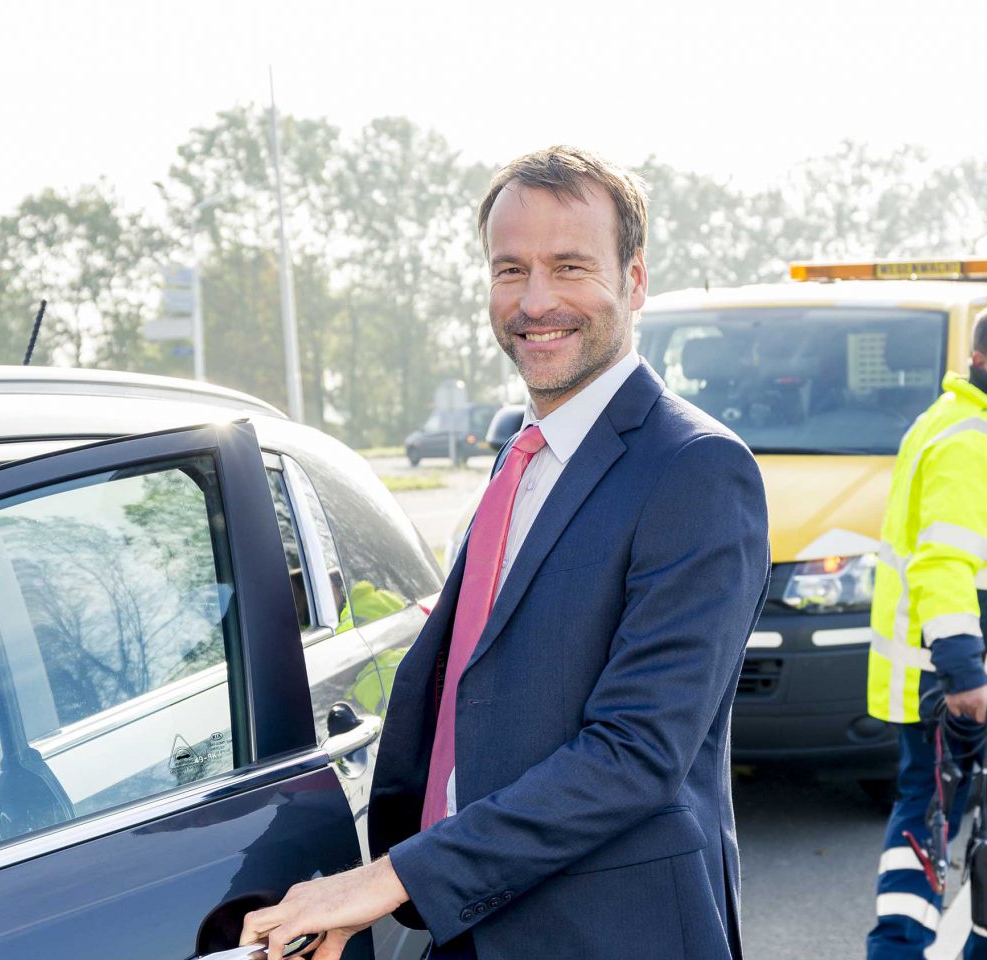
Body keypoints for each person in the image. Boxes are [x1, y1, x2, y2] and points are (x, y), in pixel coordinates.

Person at [240, 145, 770, 960]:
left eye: (570, 267)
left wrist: (393, 879)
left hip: (608, 936)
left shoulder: (695, 468)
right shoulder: (517, 459)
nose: (536, 300)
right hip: (471, 919)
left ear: (634, 281)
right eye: (510, 270)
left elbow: (635, 754)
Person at [866, 301, 987, 959]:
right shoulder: (975, 441)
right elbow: (943, 564)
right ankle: (907, 952)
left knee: (954, 824)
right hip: (980, 690)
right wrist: (963, 674)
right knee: (960, 826)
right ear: (981, 362)